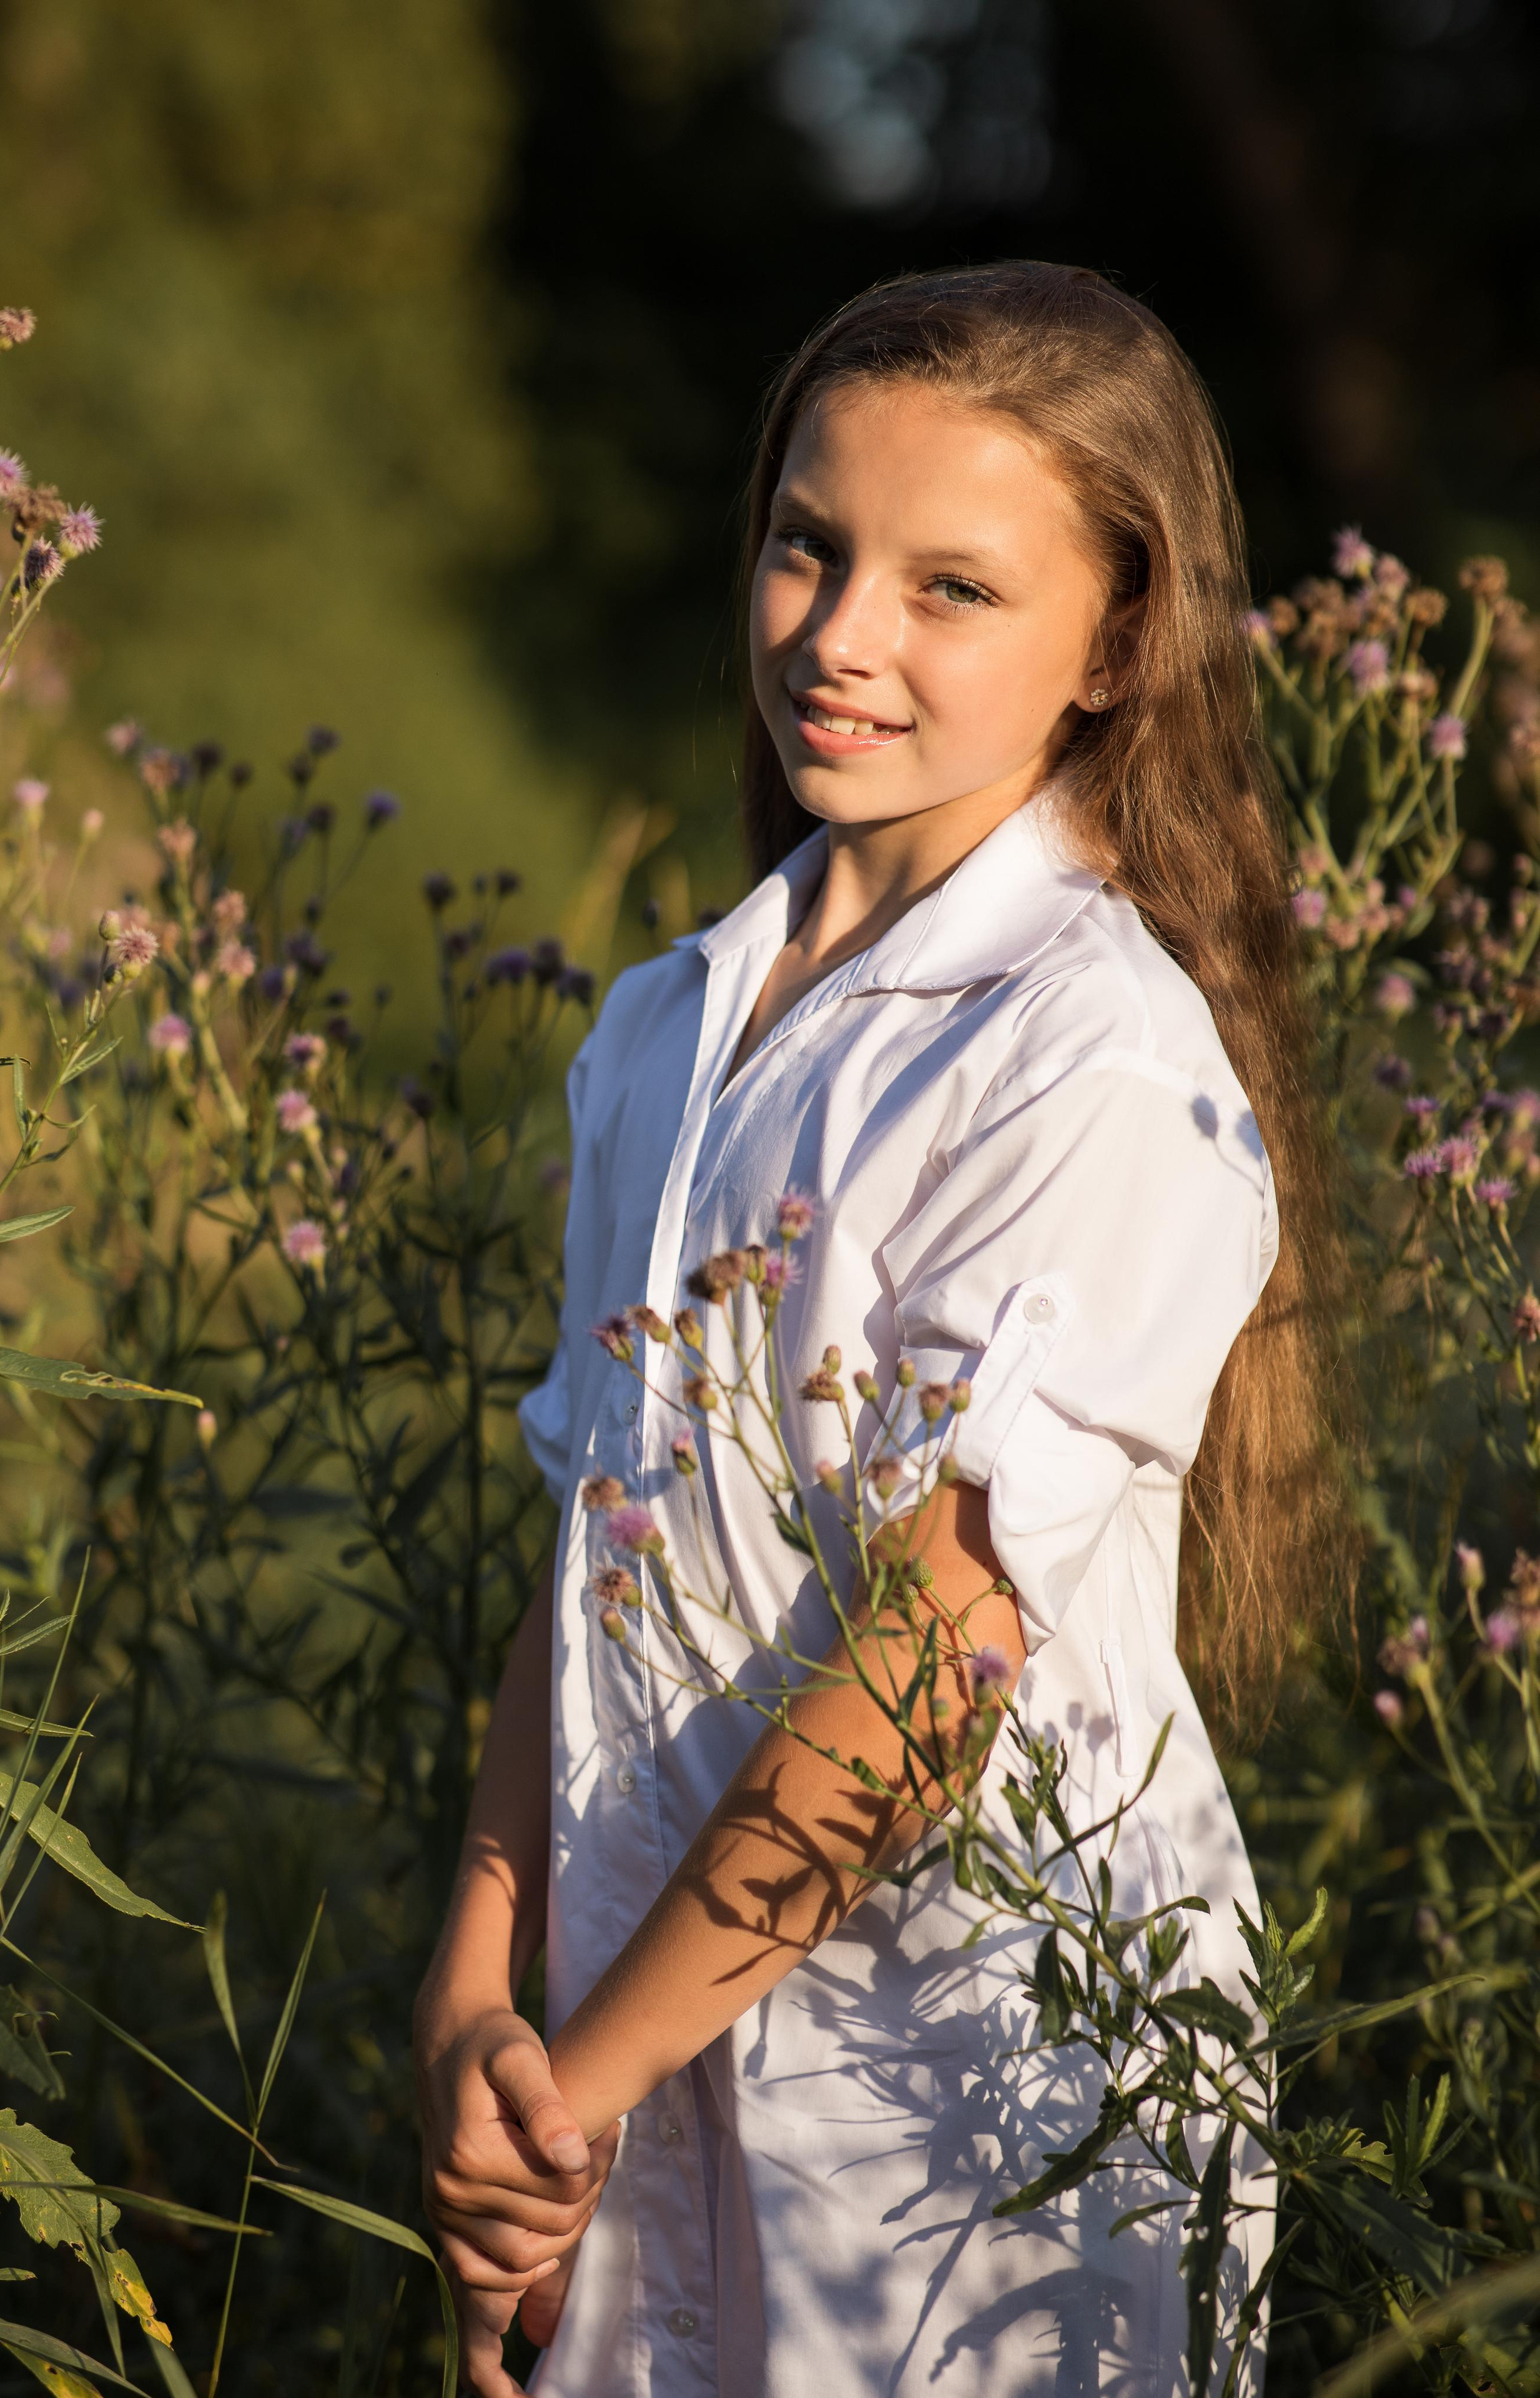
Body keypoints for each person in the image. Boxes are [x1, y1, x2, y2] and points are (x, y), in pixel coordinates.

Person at [413, 260, 1337, 2397]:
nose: (841, 636)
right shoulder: (667, 1025)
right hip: (626, 2054)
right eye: (810, 547)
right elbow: (594, 1558)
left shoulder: (1095, 1054)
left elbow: (935, 1659)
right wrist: (481, 2015)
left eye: (952, 589)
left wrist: (578, 2082)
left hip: (967, 2108)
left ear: (1117, 643)